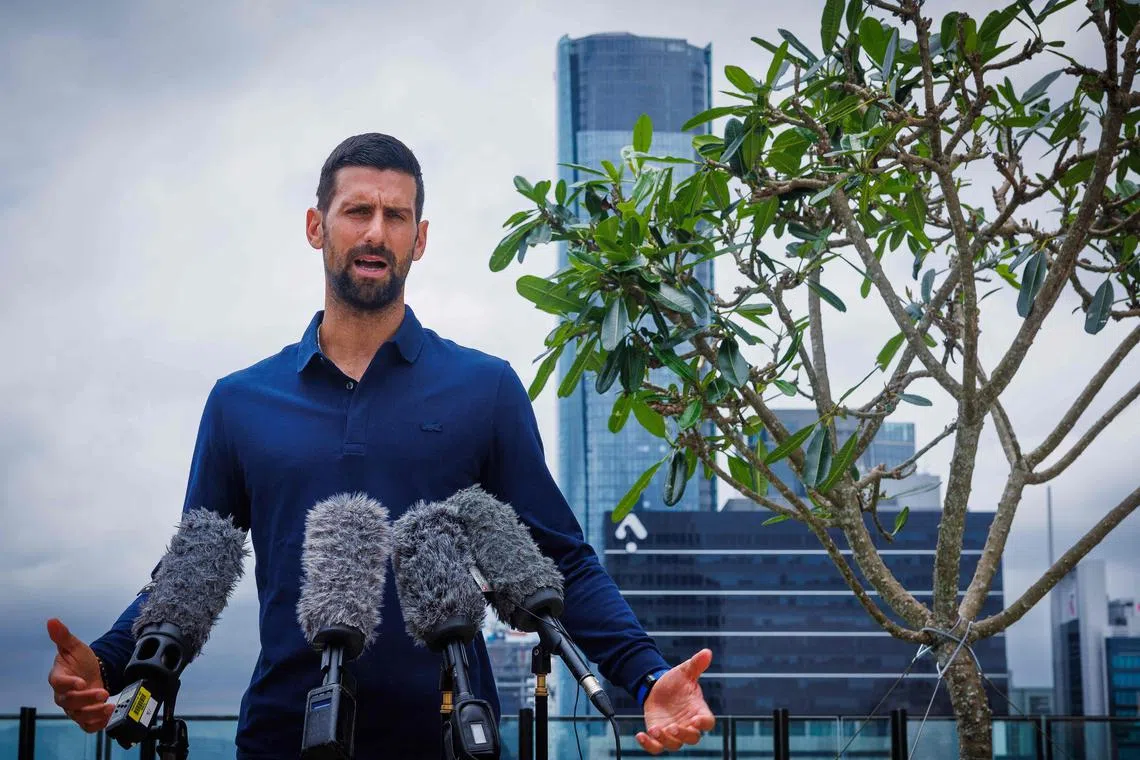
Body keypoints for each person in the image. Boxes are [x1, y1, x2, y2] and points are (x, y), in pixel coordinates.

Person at [46, 133, 715, 757]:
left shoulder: (485, 389)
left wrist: (647, 674)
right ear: (317, 227)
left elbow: (557, 556)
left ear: (420, 239)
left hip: (453, 734)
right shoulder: (239, 401)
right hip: (283, 734)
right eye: (357, 210)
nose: (375, 232)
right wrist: (105, 663)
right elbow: (193, 566)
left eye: (396, 217)